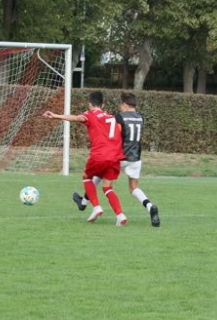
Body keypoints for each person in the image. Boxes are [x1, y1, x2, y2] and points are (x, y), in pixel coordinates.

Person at [72, 92, 160, 227]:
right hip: (135, 157)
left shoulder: (120, 117)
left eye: (121, 104)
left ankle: (85, 203)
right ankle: (150, 206)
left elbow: (113, 133)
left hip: (120, 156)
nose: (120, 107)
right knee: (134, 188)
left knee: (98, 178)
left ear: (125, 104)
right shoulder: (140, 117)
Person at [43, 91, 128, 226]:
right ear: (102, 104)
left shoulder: (90, 114)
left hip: (99, 155)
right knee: (107, 187)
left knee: (86, 177)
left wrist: (55, 116)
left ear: (90, 104)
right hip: (115, 157)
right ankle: (120, 215)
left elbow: (76, 118)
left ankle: (96, 207)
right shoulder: (112, 117)